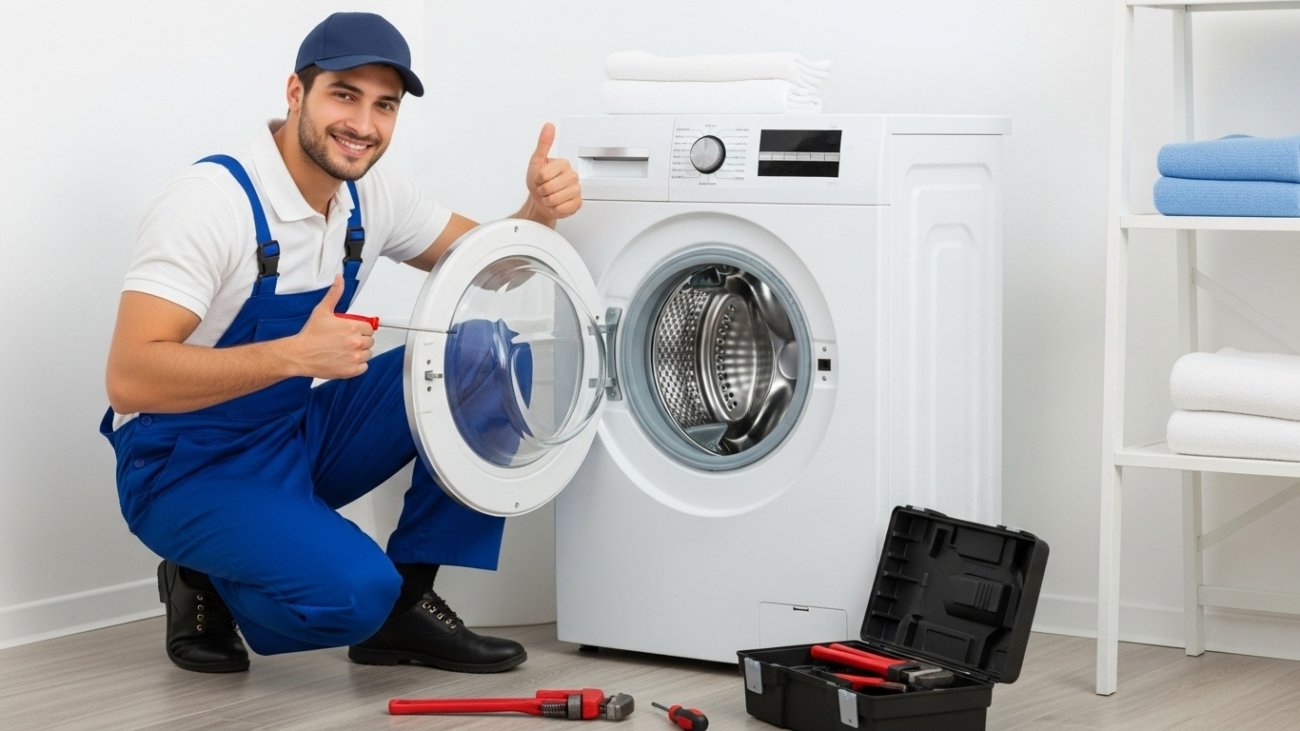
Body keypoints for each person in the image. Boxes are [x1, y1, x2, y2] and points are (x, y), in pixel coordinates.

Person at [99, 11, 581, 675]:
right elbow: (130, 376)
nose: (363, 124)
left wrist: (537, 213)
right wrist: (294, 355)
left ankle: (407, 603)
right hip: (181, 463)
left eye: (384, 105)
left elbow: (491, 264)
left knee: (489, 356)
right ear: (297, 92)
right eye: (344, 94)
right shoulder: (210, 202)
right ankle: (200, 571)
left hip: (287, 433)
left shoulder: (371, 194)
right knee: (356, 592)